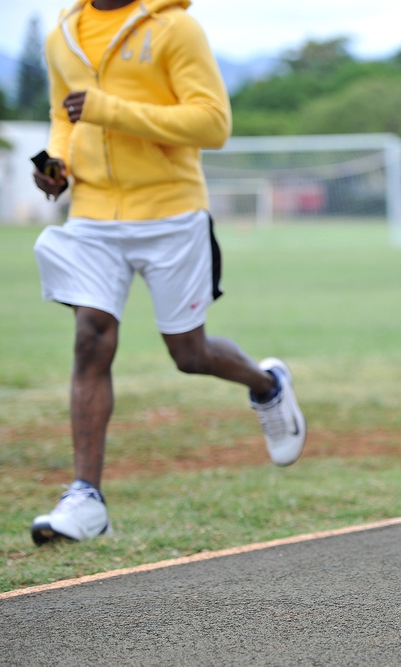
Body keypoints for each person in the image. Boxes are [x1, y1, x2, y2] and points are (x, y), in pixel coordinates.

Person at [29, 0, 306, 545]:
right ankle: (85, 496)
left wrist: (110, 109)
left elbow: (213, 123)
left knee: (189, 354)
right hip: (92, 214)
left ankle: (267, 385)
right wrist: (54, 164)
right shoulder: (61, 33)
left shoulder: (175, 27)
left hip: (171, 213)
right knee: (91, 335)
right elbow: (65, 115)